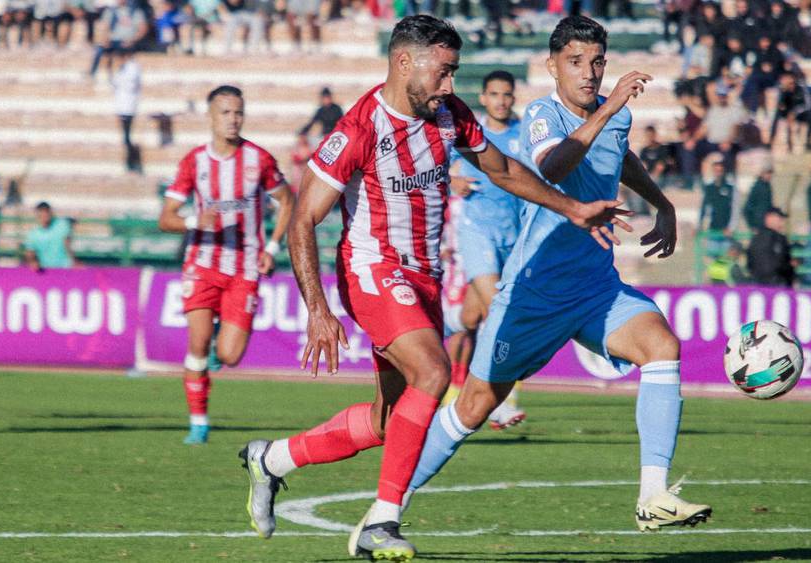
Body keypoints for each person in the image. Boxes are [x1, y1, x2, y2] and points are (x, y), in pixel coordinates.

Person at [235, 15, 630, 561]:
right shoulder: (359, 129)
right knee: (434, 372)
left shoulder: (448, 114)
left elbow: (503, 170)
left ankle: (271, 459)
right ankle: (382, 521)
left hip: (425, 278)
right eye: (443, 72)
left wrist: (573, 208)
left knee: (388, 421)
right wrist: (318, 310)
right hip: (373, 270)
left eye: (454, 72)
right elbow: (303, 219)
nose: (450, 84)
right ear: (404, 63)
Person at [402, 13, 710, 543]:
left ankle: (653, 497)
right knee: (473, 407)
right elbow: (553, 167)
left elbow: (620, 156)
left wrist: (662, 203)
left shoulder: (614, 116)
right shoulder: (542, 115)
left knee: (662, 346)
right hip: (534, 293)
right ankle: (391, 502)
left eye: (597, 62)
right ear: (552, 66)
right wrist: (608, 108)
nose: (588, 73)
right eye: (575, 62)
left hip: (594, 289)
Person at [157, 85, 294, 445]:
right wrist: (193, 221)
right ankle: (198, 422)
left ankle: (220, 334)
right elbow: (166, 218)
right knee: (197, 342)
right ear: (211, 117)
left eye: (238, 112)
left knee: (230, 355)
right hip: (202, 263)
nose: (233, 119)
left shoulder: (259, 160)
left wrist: (273, 247)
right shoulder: (194, 162)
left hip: (245, 268)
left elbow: (287, 201)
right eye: (226, 113)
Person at [446, 70, 526, 430]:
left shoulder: (524, 135)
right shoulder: (469, 132)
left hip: (514, 236)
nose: (501, 101)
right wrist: (453, 180)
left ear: (513, 97)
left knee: (470, 319)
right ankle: (499, 400)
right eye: (494, 94)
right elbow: (432, 165)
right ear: (483, 98)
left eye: (506, 94)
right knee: (502, 309)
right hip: (476, 232)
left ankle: (437, 324)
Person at [111, 48, 141, 173]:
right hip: (122, 106)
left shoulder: (133, 68)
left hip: (128, 106)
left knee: (128, 136)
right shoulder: (121, 69)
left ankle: (132, 163)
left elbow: (130, 85)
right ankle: (130, 162)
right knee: (125, 136)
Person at [747, 207, 793, 286]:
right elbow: (782, 263)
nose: (782, 222)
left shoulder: (755, 238)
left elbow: (750, 263)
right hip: (776, 284)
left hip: (758, 284)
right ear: (769, 218)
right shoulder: (778, 239)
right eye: (779, 218)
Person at [23, 202, 76, 271]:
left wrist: (74, 262)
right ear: (37, 215)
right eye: (41, 215)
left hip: (64, 268)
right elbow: (30, 252)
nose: (44, 217)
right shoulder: (33, 233)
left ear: (50, 213)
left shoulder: (62, 224)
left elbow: (67, 245)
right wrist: (33, 261)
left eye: (46, 213)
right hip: (44, 269)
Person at [743, 166, 773, 232]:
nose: (769, 176)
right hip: (758, 226)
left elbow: (769, 206)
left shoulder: (768, 187)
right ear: (762, 173)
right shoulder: (756, 187)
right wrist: (752, 226)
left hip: (767, 226)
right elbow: (746, 209)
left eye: (770, 173)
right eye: (767, 173)